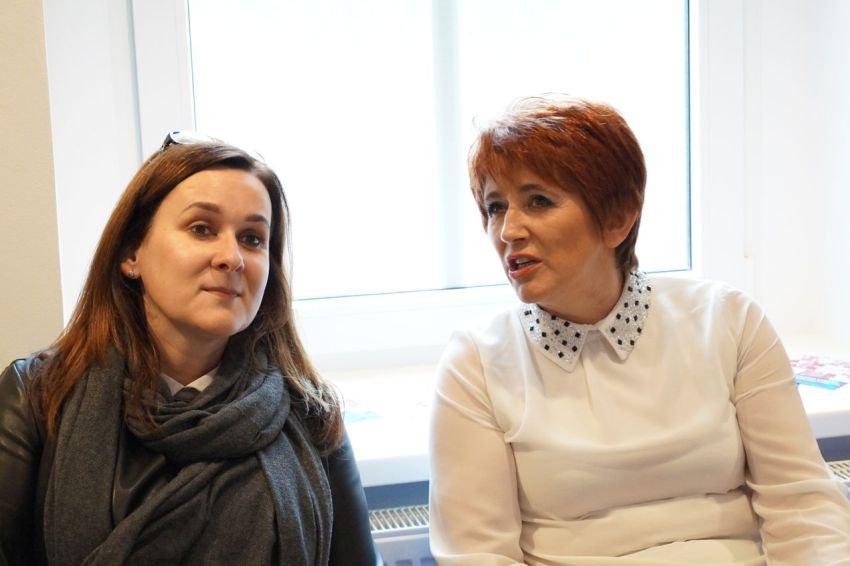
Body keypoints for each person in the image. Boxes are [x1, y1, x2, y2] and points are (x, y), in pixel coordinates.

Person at [428, 96, 850, 565]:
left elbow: (803, 505)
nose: (508, 230)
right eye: (495, 207)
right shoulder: (476, 362)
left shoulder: (729, 321)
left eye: (538, 201)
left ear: (618, 218)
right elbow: (478, 555)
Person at [0, 132, 381, 566]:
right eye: (202, 229)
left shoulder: (312, 416)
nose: (232, 257)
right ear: (131, 253)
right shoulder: (36, 399)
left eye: (253, 238)